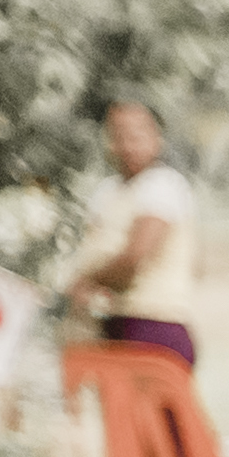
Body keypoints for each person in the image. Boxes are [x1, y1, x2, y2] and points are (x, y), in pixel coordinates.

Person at [65, 97, 204, 371]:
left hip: (154, 326)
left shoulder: (163, 185)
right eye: (118, 135)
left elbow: (133, 259)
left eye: (137, 134)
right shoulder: (108, 191)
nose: (127, 145)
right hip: (113, 324)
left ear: (157, 137)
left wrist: (87, 281)